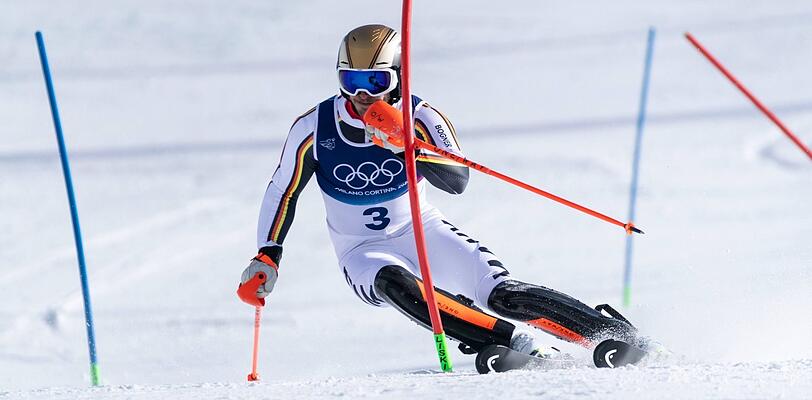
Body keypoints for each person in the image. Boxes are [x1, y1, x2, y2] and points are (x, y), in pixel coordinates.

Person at [240, 24, 642, 361]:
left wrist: (408, 148)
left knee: (501, 294)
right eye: (351, 81)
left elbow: (458, 181)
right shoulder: (315, 126)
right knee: (395, 283)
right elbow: (284, 190)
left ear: (398, 76)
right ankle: (516, 345)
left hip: (423, 231)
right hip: (361, 249)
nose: (363, 94)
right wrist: (267, 254)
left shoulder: (421, 116)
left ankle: (619, 337)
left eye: (376, 81)